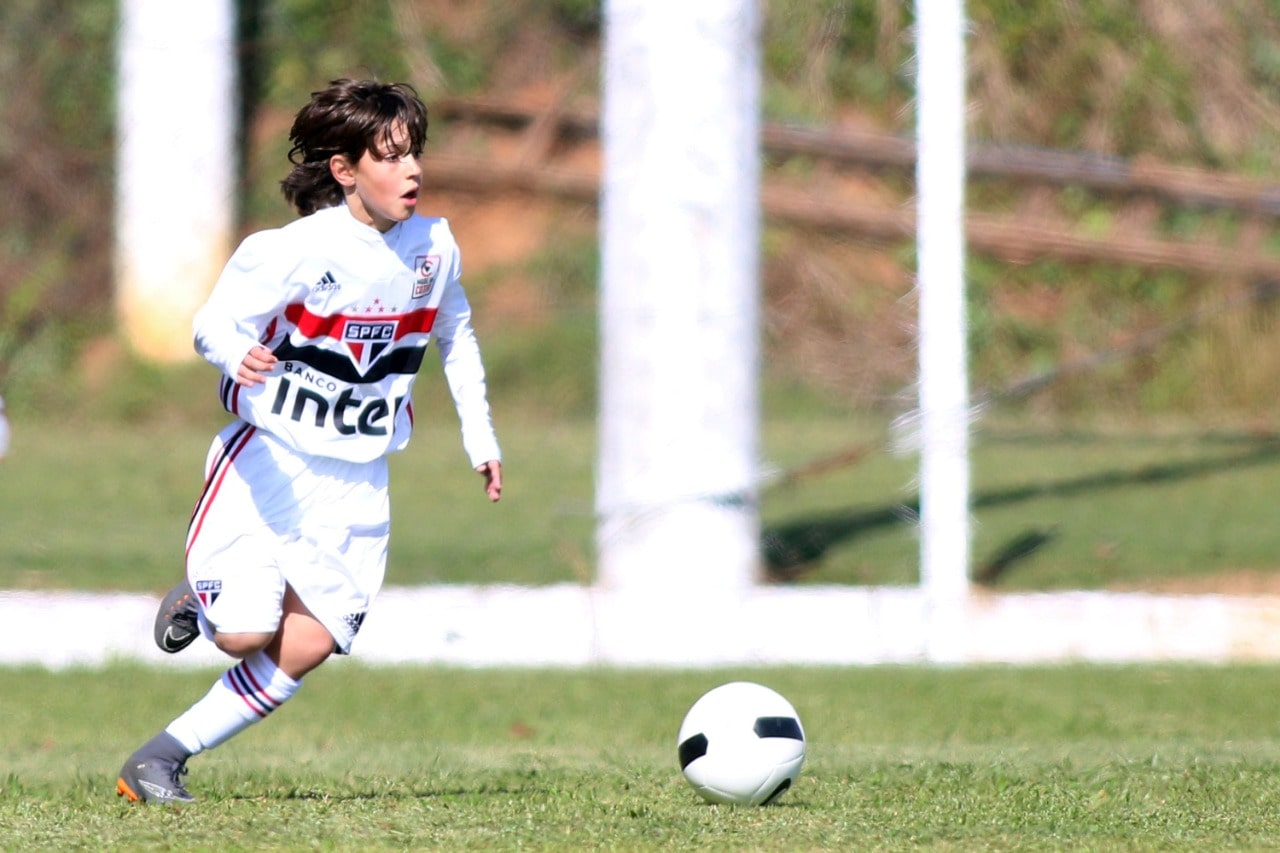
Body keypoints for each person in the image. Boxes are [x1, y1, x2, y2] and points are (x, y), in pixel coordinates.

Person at [117, 78, 502, 805]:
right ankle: (205, 602)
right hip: (274, 464)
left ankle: (159, 759)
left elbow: (456, 333)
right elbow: (213, 323)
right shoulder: (293, 250)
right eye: (390, 157)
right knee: (242, 634)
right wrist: (237, 356)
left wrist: (480, 435)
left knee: (306, 644)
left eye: (415, 152)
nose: (412, 170)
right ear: (345, 170)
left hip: (359, 480)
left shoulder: (435, 248)